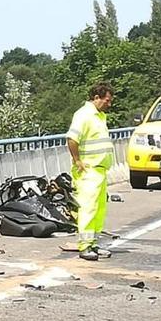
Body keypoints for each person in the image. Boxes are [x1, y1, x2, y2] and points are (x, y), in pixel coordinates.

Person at [66, 83, 114, 261]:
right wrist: (77, 160)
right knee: (88, 207)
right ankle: (85, 245)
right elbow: (72, 138)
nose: (109, 104)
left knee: (99, 208)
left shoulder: (100, 116)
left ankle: (93, 242)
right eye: (107, 100)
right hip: (88, 170)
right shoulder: (84, 115)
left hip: (100, 169)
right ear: (96, 98)